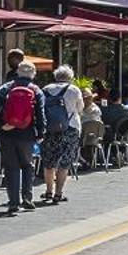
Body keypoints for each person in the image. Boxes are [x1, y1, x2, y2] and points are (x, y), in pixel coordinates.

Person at [0, 59, 44, 216]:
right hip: (27, 134)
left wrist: (2, 125)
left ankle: (13, 202)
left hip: (8, 133)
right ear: (33, 74)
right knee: (28, 165)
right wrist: (41, 133)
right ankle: (27, 199)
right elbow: (41, 114)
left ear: (17, 72)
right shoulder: (36, 90)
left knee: (11, 167)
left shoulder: (6, 88)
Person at [38, 65, 82, 204]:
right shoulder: (74, 90)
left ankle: (49, 191)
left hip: (50, 128)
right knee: (65, 161)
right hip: (70, 127)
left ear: (56, 77)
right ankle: (59, 193)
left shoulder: (45, 89)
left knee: (49, 161)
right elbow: (79, 108)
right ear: (70, 78)